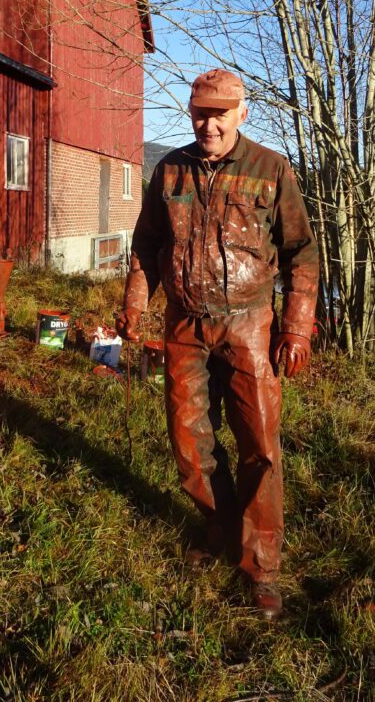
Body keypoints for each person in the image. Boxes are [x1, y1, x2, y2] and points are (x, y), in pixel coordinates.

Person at [116, 69, 318, 619]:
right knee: (188, 440)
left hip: (250, 325)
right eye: (200, 112)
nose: (208, 123)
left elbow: (301, 252)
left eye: (220, 113)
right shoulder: (170, 171)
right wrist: (134, 305)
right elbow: (146, 244)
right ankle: (220, 525)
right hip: (184, 323)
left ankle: (261, 566)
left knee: (260, 444)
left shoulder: (271, 170)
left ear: (241, 113)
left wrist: (297, 326)